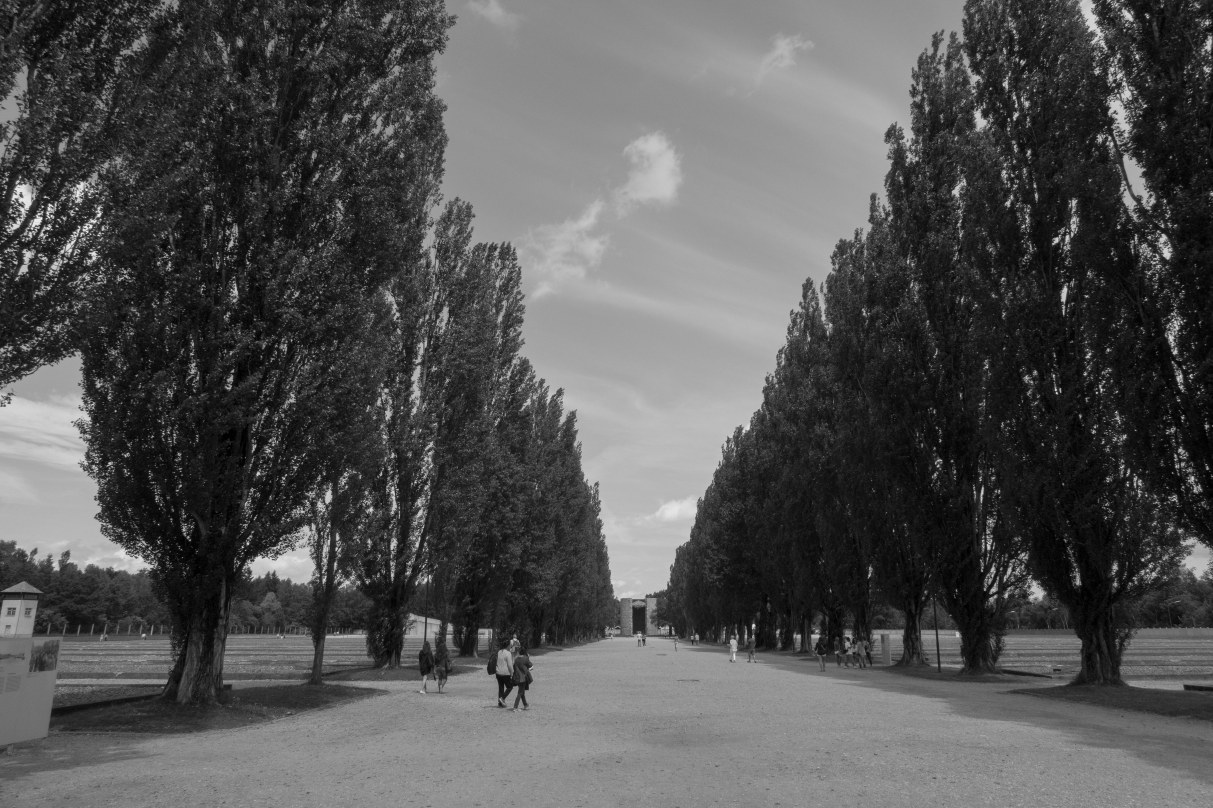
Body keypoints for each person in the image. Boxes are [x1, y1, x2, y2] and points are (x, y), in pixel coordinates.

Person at [510, 645, 533, 711]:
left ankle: (525, 704)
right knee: (520, 692)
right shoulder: (525, 658)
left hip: (517, 677)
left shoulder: (516, 659)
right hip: (523, 678)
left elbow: (514, 667)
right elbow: (530, 666)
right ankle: (515, 707)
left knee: (522, 691)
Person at [495, 641, 515, 707]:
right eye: (510, 645)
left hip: (498, 672)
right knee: (510, 687)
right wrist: (512, 673)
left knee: (501, 688)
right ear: (507, 646)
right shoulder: (508, 653)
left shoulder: (499, 652)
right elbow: (509, 665)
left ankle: (500, 703)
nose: (510, 646)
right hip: (505, 673)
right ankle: (502, 698)